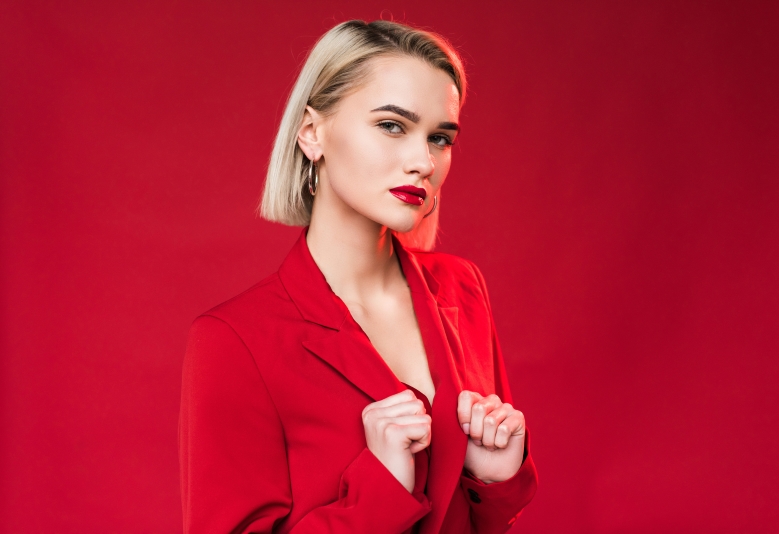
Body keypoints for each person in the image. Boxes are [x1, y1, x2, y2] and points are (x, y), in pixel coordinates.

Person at [179, 19, 537, 534]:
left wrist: (495, 481)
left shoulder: (463, 288)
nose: (423, 161)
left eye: (440, 138)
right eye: (392, 125)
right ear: (312, 133)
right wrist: (379, 491)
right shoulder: (234, 340)